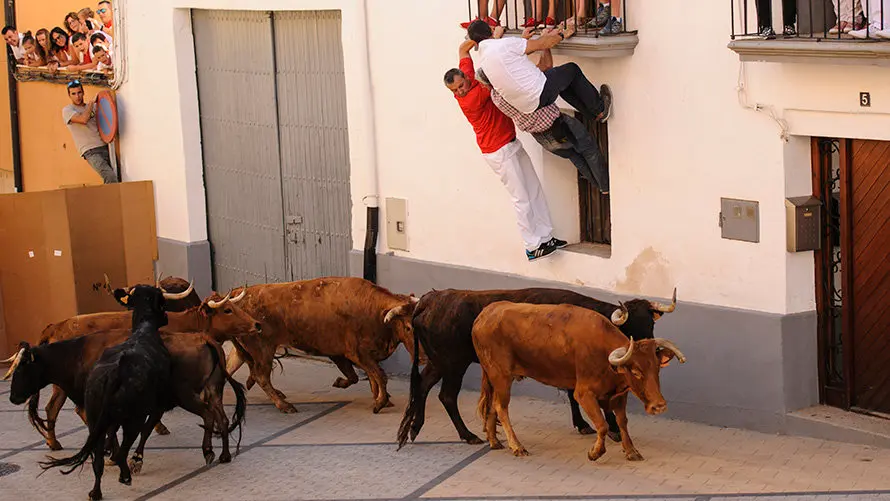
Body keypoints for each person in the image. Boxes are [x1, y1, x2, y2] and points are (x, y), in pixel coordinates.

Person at [444, 34, 567, 261]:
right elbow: (495, 72)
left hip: (510, 142)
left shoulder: (470, 74)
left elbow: (463, 50)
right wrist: (500, 40)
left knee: (533, 188)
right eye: (455, 91)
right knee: (521, 197)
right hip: (498, 152)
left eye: (460, 86)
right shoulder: (472, 98)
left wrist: (479, 37)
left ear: (464, 76)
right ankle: (532, 245)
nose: (459, 92)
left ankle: (546, 237)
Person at [478, 61, 612, 195]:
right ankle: (605, 186)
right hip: (559, 127)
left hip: (542, 138)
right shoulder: (512, 88)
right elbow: (544, 68)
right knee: (589, 149)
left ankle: (599, 186)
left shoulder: (495, 97)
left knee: (575, 157)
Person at [470, 20, 609, 124]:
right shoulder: (504, 45)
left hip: (528, 105)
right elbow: (544, 44)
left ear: (475, 42)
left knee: (560, 82)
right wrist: (562, 34)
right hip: (537, 92)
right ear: (491, 29)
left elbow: (545, 65)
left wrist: (526, 40)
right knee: (571, 70)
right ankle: (599, 109)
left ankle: (593, 116)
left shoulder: (485, 61)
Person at [63, 81, 117, 184]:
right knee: (109, 176)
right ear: (69, 95)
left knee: (116, 176)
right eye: (73, 94)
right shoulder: (68, 110)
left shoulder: (92, 107)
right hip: (90, 151)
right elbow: (83, 119)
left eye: (79, 92)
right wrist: (92, 104)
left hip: (105, 146)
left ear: (83, 93)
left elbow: (107, 119)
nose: (77, 96)